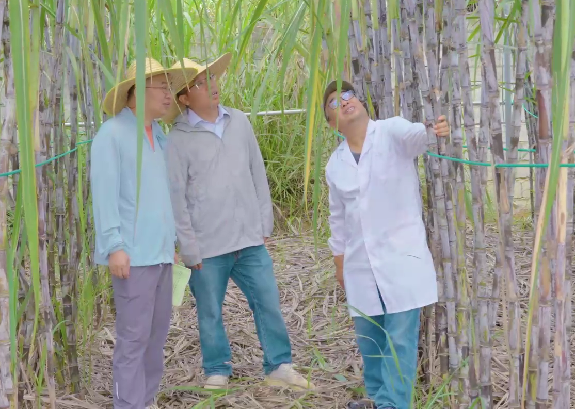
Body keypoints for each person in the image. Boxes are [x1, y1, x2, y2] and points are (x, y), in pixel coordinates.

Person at [164, 54, 314, 391]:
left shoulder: (239, 121)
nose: (212, 86)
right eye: (200, 83)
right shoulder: (178, 138)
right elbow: (176, 197)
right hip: (207, 243)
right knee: (209, 311)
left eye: (212, 79)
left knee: (267, 301)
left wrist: (264, 223)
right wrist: (188, 246)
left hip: (249, 238)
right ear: (184, 98)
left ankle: (279, 366)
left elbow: (257, 172)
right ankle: (217, 369)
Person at [322, 81, 449, 409]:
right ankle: (377, 400)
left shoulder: (391, 132)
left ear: (361, 103)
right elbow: (338, 218)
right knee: (371, 340)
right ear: (332, 124)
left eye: (348, 95)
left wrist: (433, 129)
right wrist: (340, 263)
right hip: (359, 264)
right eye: (334, 103)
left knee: (399, 340)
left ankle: (392, 405)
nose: (344, 102)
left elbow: (417, 136)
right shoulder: (335, 164)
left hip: (401, 259)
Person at [90, 57, 196, 409]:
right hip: (132, 256)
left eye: (170, 88)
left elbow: (161, 197)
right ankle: (128, 404)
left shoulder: (159, 136)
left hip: (160, 253)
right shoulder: (112, 135)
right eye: (162, 87)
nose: (169, 95)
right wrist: (114, 246)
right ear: (136, 92)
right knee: (133, 339)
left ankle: (146, 400)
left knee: (155, 337)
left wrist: (172, 243)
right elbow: (104, 195)